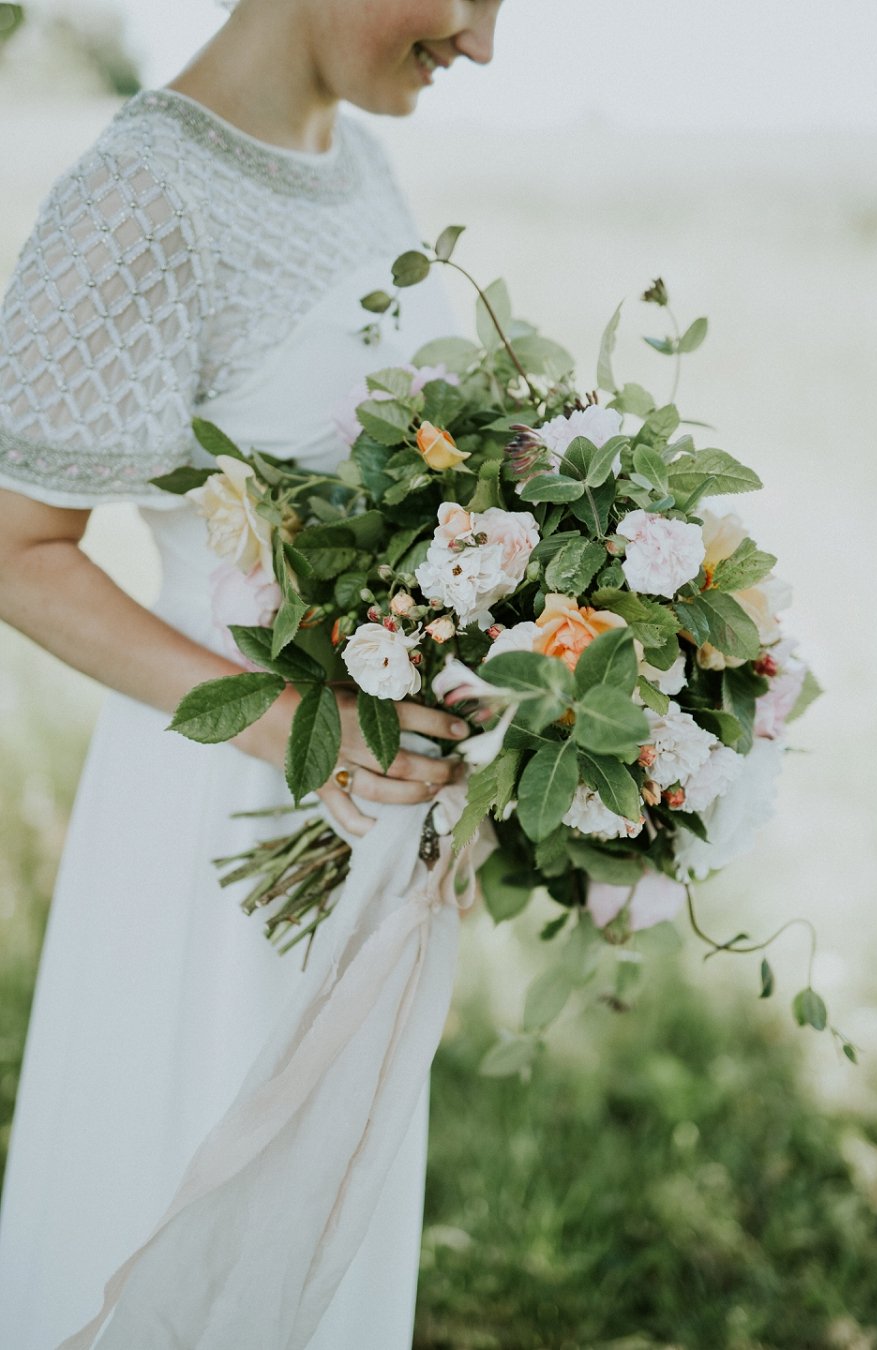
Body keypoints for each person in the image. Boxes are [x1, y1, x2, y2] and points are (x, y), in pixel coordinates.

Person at [0, 2, 503, 1346]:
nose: (485, 42)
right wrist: (303, 727)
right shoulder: (143, 194)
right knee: (194, 1178)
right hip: (217, 810)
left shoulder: (351, 151)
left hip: (369, 815)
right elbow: (16, 551)